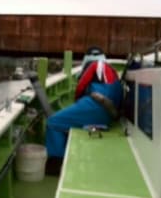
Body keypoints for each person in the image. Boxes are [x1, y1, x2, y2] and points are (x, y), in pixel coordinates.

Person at [45, 46, 123, 175]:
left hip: (94, 105)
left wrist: (77, 104)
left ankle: (56, 165)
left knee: (54, 122)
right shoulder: (113, 71)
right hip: (109, 114)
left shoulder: (94, 65)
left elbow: (81, 86)